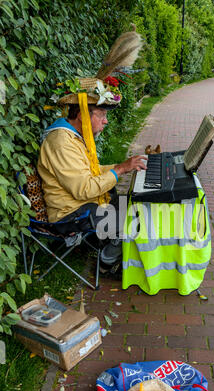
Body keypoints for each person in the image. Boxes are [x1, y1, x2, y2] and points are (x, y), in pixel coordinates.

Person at [38, 30, 146, 278]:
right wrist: (120, 170)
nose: (106, 121)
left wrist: (122, 166)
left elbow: (90, 174)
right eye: (102, 115)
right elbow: (83, 190)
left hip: (77, 205)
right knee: (129, 214)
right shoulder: (61, 141)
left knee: (130, 204)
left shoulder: (73, 136)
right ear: (84, 114)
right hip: (67, 215)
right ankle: (108, 261)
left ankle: (112, 250)